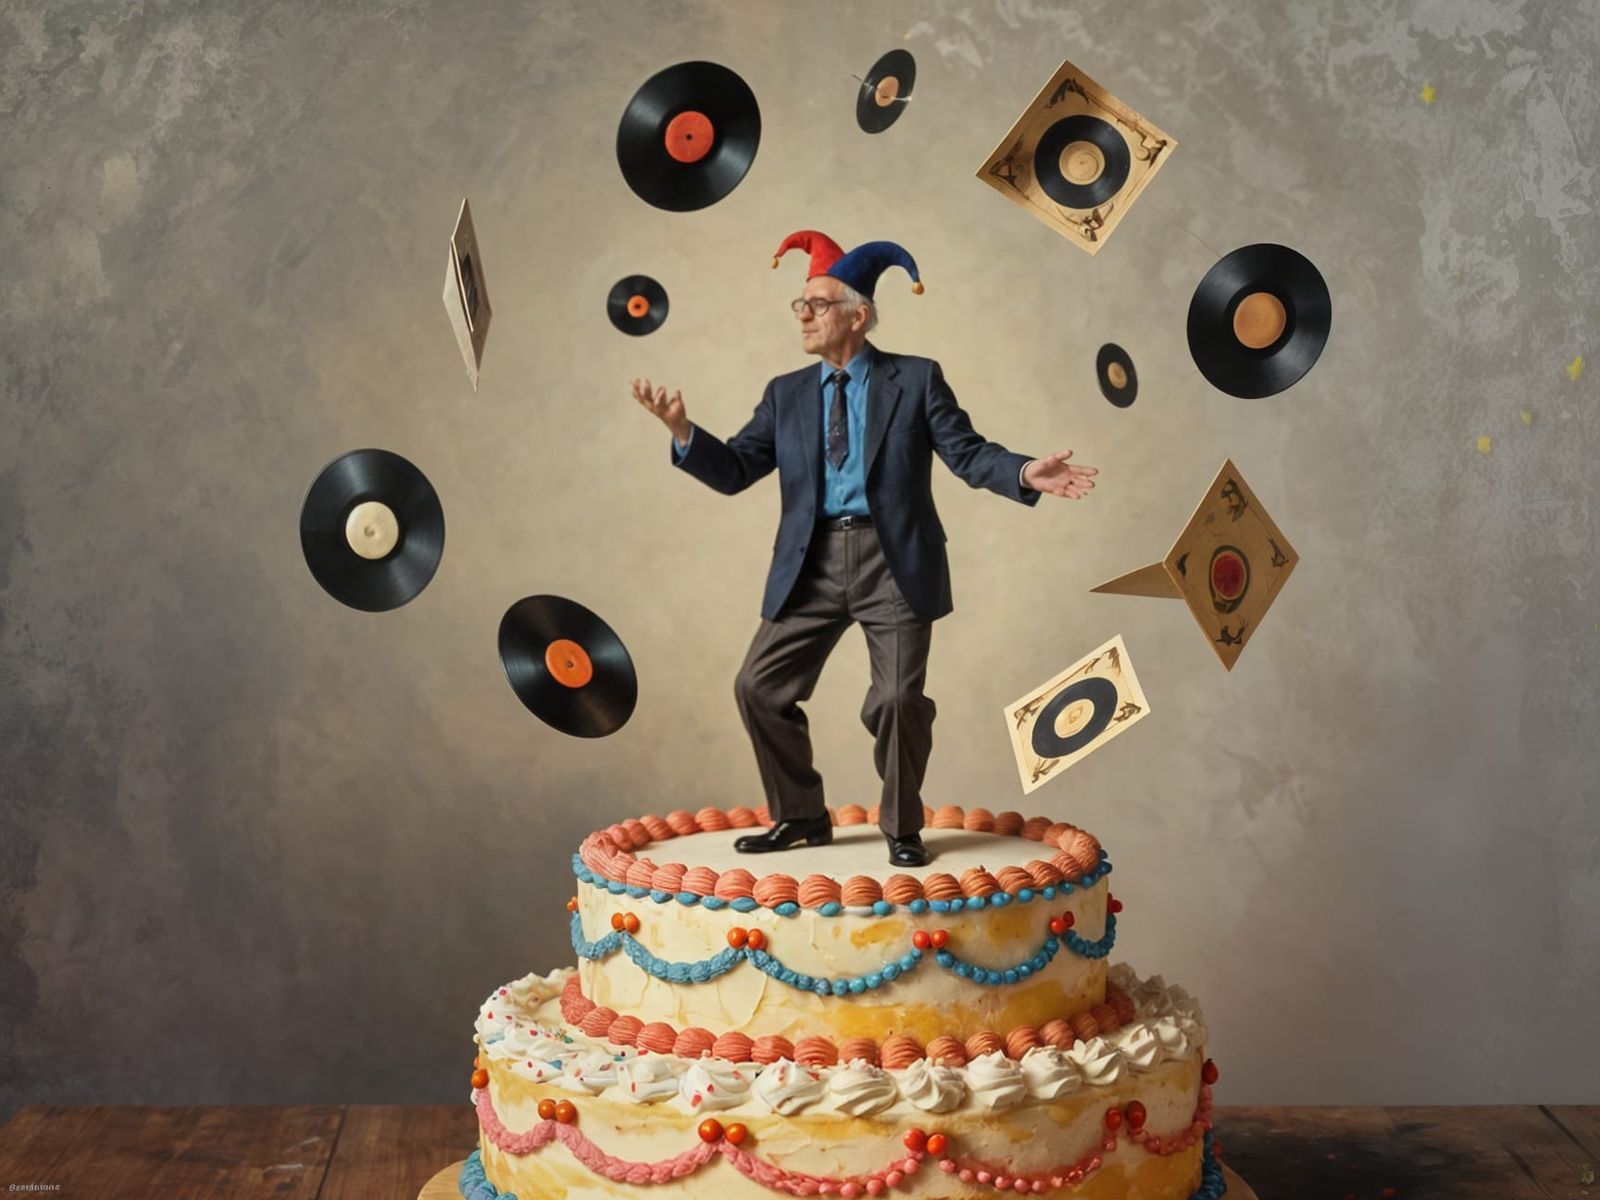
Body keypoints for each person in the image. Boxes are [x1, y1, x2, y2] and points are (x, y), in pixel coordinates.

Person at [631, 230, 1097, 866]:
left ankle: (901, 826)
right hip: (811, 562)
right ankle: (799, 816)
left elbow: (966, 453)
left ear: (858, 314)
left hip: (893, 562)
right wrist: (684, 432)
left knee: (898, 701)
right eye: (798, 304)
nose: (802, 315)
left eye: (817, 304)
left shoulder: (916, 379)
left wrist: (1020, 471)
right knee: (757, 688)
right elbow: (738, 469)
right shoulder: (785, 393)